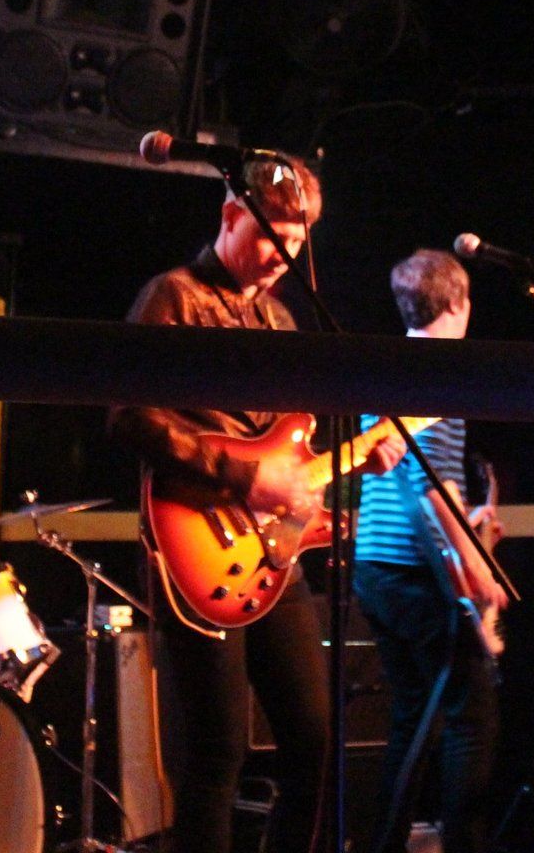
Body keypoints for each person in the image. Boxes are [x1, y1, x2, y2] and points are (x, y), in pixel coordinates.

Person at [109, 153, 402, 853]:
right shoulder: (171, 297)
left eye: (299, 243)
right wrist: (244, 480)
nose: (284, 257)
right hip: (196, 547)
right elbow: (128, 416)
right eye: (275, 236)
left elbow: (289, 446)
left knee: (313, 742)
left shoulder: (278, 318)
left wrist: (368, 448)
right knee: (216, 753)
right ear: (232, 215)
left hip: (275, 555)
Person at [354, 249, 506, 853]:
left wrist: (472, 521)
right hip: (419, 574)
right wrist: (478, 571)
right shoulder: (439, 376)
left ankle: (387, 842)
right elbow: (430, 495)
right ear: (459, 302)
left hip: (375, 567)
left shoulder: (387, 367)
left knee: (413, 715)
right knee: (473, 718)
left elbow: (414, 486)